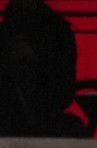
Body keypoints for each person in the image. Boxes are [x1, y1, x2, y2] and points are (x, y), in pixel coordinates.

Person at [0, 0, 79, 136]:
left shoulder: (58, 34)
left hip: (42, 119)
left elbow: (64, 90)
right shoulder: (59, 31)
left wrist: (35, 64)